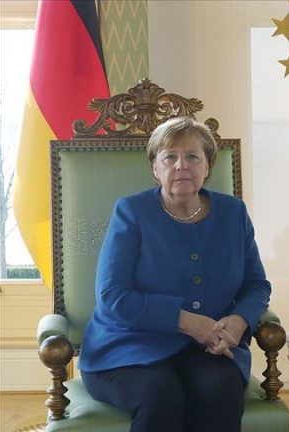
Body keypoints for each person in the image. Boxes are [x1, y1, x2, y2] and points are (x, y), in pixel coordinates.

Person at [78, 117, 271, 432]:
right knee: (160, 397)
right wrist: (189, 323)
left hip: (208, 346)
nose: (182, 165)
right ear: (156, 168)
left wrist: (239, 321)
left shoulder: (234, 213)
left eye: (192, 156)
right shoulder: (131, 211)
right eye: (170, 157)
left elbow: (256, 285)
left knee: (220, 390)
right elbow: (113, 296)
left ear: (207, 166)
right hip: (127, 346)